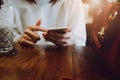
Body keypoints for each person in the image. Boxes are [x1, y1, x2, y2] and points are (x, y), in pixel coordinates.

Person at [11, 0, 86, 47]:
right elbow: (4, 43)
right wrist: (19, 41)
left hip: (62, 59)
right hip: (25, 60)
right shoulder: (11, 3)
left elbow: (80, 42)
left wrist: (71, 40)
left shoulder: (73, 2)